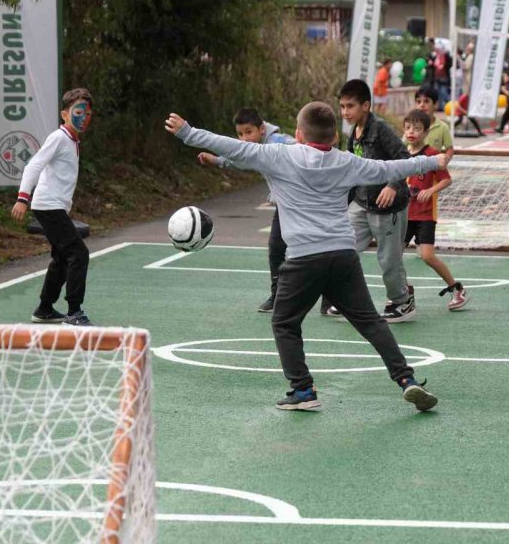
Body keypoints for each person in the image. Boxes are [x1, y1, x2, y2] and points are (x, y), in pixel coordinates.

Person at [164, 99, 446, 412]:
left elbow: (230, 146)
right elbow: (390, 168)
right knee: (369, 322)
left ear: (298, 133)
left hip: (303, 259)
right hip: (343, 255)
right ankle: (406, 380)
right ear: (335, 138)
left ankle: (303, 390)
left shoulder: (278, 155)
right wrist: (432, 163)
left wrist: (187, 133)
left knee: (284, 322)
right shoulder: (347, 161)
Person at [322, 80, 417, 322]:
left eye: (350, 106)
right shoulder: (352, 132)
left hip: (389, 208)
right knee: (343, 248)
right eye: (342, 106)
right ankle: (346, 298)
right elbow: (353, 167)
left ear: (366, 105)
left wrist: (392, 185)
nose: (345, 112)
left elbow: (404, 158)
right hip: (362, 203)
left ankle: (402, 301)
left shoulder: (381, 130)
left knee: (388, 260)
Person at [197, 108, 296, 313]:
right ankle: (278, 296)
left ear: (261, 129)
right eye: (240, 134)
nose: (244, 139)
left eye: (248, 132)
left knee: (314, 251)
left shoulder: (278, 142)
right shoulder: (256, 148)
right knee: (276, 248)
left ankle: (329, 299)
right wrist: (215, 161)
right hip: (285, 205)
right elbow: (239, 159)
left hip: (305, 204)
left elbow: (307, 149)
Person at [11, 88, 95, 327]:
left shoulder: (72, 141)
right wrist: (22, 198)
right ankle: (74, 312)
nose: (84, 117)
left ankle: (45, 308)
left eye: (88, 114)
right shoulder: (59, 138)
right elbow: (33, 166)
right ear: (64, 114)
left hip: (55, 207)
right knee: (79, 254)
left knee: (61, 257)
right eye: (79, 112)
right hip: (48, 207)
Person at [401, 110, 467, 311]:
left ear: (426, 132)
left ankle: (457, 288)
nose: (412, 132)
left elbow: (447, 179)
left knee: (427, 256)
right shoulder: (402, 153)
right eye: (408, 128)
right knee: (392, 256)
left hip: (425, 215)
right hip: (405, 214)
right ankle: (404, 292)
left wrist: (430, 190)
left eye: (417, 128)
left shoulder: (432, 155)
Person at [413, 86, 454, 158]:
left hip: (434, 167)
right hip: (415, 166)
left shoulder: (442, 127)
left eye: (426, 101)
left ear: (436, 104)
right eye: (418, 102)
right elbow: (403, 146)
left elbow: (449, 149)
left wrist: (444, 161)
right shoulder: (411, 126)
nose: (421, 105)